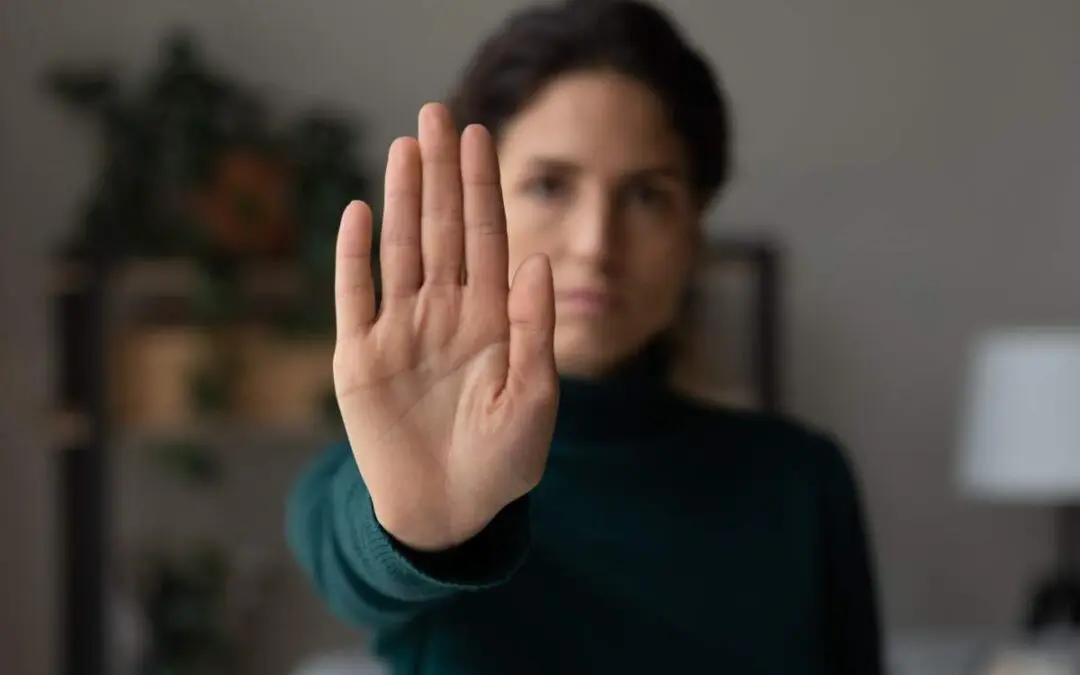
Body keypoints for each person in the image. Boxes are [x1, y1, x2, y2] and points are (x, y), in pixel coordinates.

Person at [286, 1, 883, 673]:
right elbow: (356, 561)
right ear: (472, 202)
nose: (596, 244)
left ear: (694, 231)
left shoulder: (800, 484)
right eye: (549, 185)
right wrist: (425, 528)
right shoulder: (388, 469)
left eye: (647, 195)